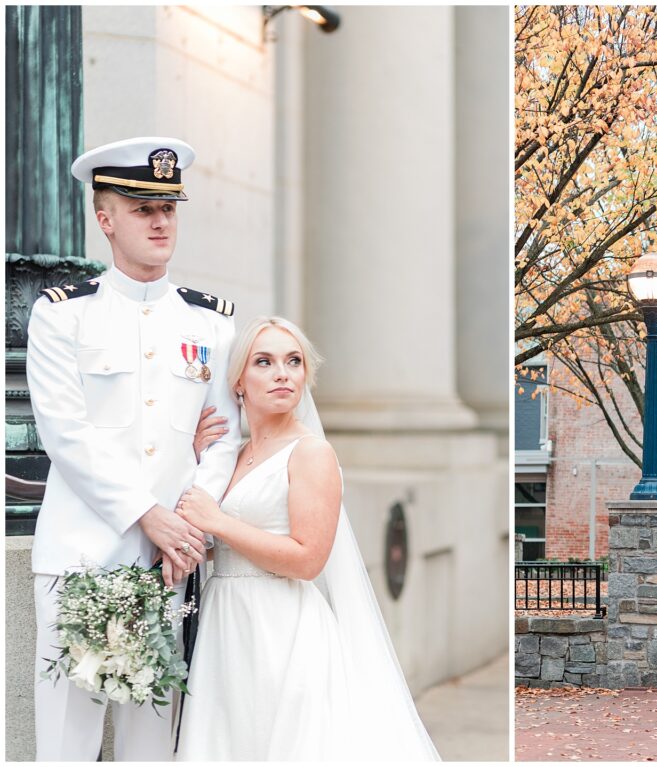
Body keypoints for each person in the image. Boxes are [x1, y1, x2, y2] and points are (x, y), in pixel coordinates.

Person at [26, 137, 241, 760]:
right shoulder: (63, 316)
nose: (159, 221)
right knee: (68, 741)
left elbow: (223, 439)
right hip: (81, 557)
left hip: (169, 562)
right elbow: (65, 434)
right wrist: (155, 519)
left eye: (168, 208)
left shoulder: (212, 322)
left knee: (155, 739)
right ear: (105, 219)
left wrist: (192, 522)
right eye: (141, 207)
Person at [175, 317, 439, 761]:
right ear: (238, 381)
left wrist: (217, 522)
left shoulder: (311, 452)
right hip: (227, 623)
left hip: (283, 629)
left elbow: (308, 559)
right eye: (265, 361)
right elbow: (211, 532)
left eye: (293, 361)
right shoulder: (236, 455)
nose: (283, 372)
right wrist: (193, 461)